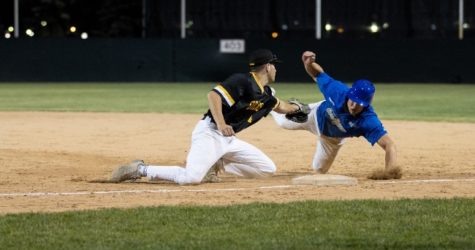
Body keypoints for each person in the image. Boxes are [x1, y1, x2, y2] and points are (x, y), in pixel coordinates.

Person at [110, 49, 307, 184]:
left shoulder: (266, 94)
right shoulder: (243, 80)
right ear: (267, 66)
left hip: (228, 140)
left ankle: (217, 162)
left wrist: (298, 107)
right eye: (274, 65)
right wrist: (221, 124)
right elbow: (213, 95)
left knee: (267, 169)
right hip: (211, 132)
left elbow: (281, 107)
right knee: (191, 178)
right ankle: (141, 169)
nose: (276, 68)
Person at [271, 51, 400, 179]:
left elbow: (389, 145)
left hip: (332, 139)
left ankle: (287, 106)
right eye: (353, 100)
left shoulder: (368, 120)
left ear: (366, 104)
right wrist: (309, 63)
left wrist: (390, 171)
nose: (354, 106)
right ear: (349, 94)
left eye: (359, 104)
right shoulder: (338, 91)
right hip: (315, 115)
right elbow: (318, 74)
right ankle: (269, 99)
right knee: (283, 122)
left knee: (319, 170)